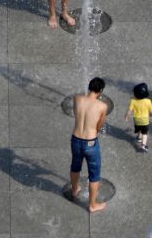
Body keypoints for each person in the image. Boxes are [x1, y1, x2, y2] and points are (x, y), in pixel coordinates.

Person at [67, 77, 108, 213]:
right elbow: (100, 125)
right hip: (90, 142)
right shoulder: (102, 106)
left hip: (76, 139)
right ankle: (92, 205)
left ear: (89, 87)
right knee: (94, 174)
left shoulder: (77, 98)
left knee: (75, 165)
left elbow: (76, 114)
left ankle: (74, 189)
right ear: (100, 91)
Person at [126, 82, 152, 151]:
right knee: (145, 133)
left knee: (139, 129)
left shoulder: (133, 101)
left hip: (137, 120)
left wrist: (127, 116)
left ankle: (138, 138)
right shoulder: (148, 101)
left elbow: (130, 110)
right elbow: (151, 111)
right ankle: (143, 145)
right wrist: (151, 114)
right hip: (145, 120)